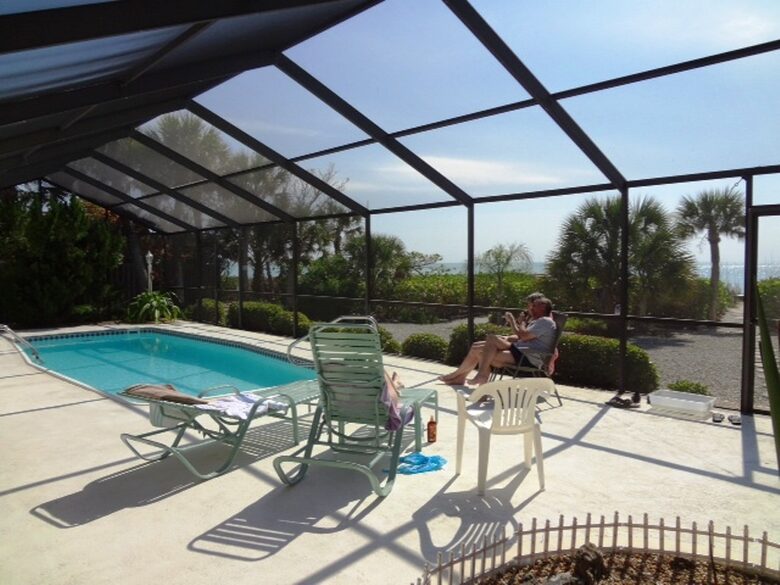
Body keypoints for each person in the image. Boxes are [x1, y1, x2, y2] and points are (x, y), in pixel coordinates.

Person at [439, 296, 556, 386]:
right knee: (478, 346)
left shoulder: (545, 321)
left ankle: (478, 376)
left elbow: (524, 336)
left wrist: (522, 322)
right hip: (520, 350)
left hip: (528, 356)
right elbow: (522, 337)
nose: (530, 308)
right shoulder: (538, 321)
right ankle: (462, 377)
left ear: (542, 308)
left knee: (485, 348)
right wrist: (507, 336)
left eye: (534, 306)